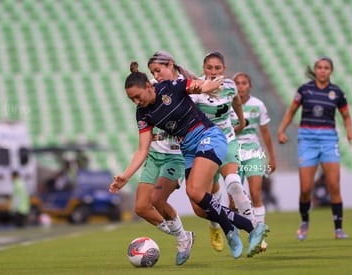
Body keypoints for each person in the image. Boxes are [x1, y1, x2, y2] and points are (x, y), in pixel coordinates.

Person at [110, 61, 269, 259]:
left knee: (195, 190)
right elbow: (143, 149)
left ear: (149, 87)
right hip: (188, 149)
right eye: (131, 99)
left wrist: (211, 84)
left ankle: (250, 227)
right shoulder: (142, 113)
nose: (135, 101)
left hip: (208, 136)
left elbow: (200, 86)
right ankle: (231, 229)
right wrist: (125, 176)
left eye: (137, 96)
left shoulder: (171, 87)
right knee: (197, 203)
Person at [277, 56, 352, 240]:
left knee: (334, 185)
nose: (322, 70)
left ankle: (338, 229)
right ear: (316, 70)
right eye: (319, 67)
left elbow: (346, 116)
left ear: (331, 71)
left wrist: (350, 132)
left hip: (329, 140)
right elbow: (291, 111)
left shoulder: (337, 92)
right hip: (307, 141)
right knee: (306, 189)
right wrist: (281, 130)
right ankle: (304, 222)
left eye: (326, 68)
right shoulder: (305, 90)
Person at [186, 52, 256, 252]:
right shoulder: (197, 89)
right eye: (209, 67)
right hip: (205, 145)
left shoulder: (230, 86)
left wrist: (241, 122)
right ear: (203, 68)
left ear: (223, 69)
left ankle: (255, 229)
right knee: (207, 196)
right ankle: (215, 226)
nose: (213, 71)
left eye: (217, 68)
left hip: (227, 140)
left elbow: (236, 103)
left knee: (234, 183)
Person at [131, 126, 194, 266]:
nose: (137, 102)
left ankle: (183, 240)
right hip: (153, 156)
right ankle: (184, 236)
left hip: (175, 157)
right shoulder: (142, 110)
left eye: (138, 101)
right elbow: (148, 137)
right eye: (134, 101)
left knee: (157, 199)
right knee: (141, 208)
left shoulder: (180, 104)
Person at [233, 72, 277, 250]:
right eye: (237, 83)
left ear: (250, 86)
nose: (241, 86)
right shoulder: (227, 105)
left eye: (244, 83)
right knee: (232, 201)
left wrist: (272, 157)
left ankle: (258, 237)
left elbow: (265, 133)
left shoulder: (258, 105)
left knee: (256, 194)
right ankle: (236, 235)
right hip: (233, 153)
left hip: (253, 153)